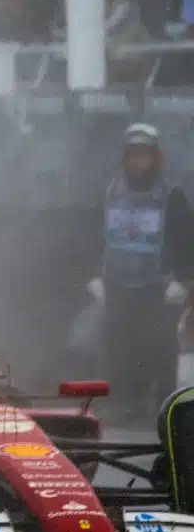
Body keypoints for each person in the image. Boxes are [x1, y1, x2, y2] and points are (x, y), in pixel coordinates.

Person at [96, 123, 194, 430]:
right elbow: (94, 236)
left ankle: (165, 409)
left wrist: (182, 279)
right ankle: (125, 404)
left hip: (158, 288)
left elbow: (186, 240)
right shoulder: (110, 193)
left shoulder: (171, 196)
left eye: (144, 155)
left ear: (156, 157)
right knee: (121, 349)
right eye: (133, 155)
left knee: (161, 350)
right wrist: (95, 277)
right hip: (118, 286)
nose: (139, 161)